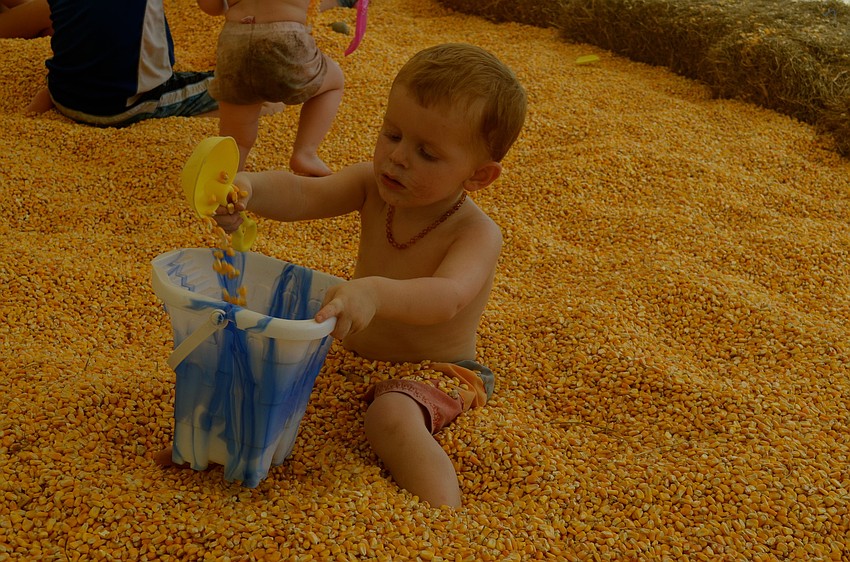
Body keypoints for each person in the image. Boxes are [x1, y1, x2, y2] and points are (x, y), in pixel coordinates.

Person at [156, 43, 527, 507]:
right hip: (348, 359)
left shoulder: (476, 233)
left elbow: (448, 295)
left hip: (437, 371)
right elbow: (304, 195)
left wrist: (372, 293)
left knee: (389, 417)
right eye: (392, 135)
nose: (398, 158)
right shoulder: (372, 186)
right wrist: (248, 188)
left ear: (479, 176)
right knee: (256, 369)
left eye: (427, 153)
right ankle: (209, 451)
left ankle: (444, 519)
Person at [196, 0, 345, 175]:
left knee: (236, 139)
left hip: (235, 42)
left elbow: (210, 7)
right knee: (334, 82)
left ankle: (226, 180)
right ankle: (305, 153)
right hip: (285, 37)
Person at [26, 0, 219, 126]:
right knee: (236, 89)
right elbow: (212, 6)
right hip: (123, 105)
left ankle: (60, 94)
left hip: (62, 92)